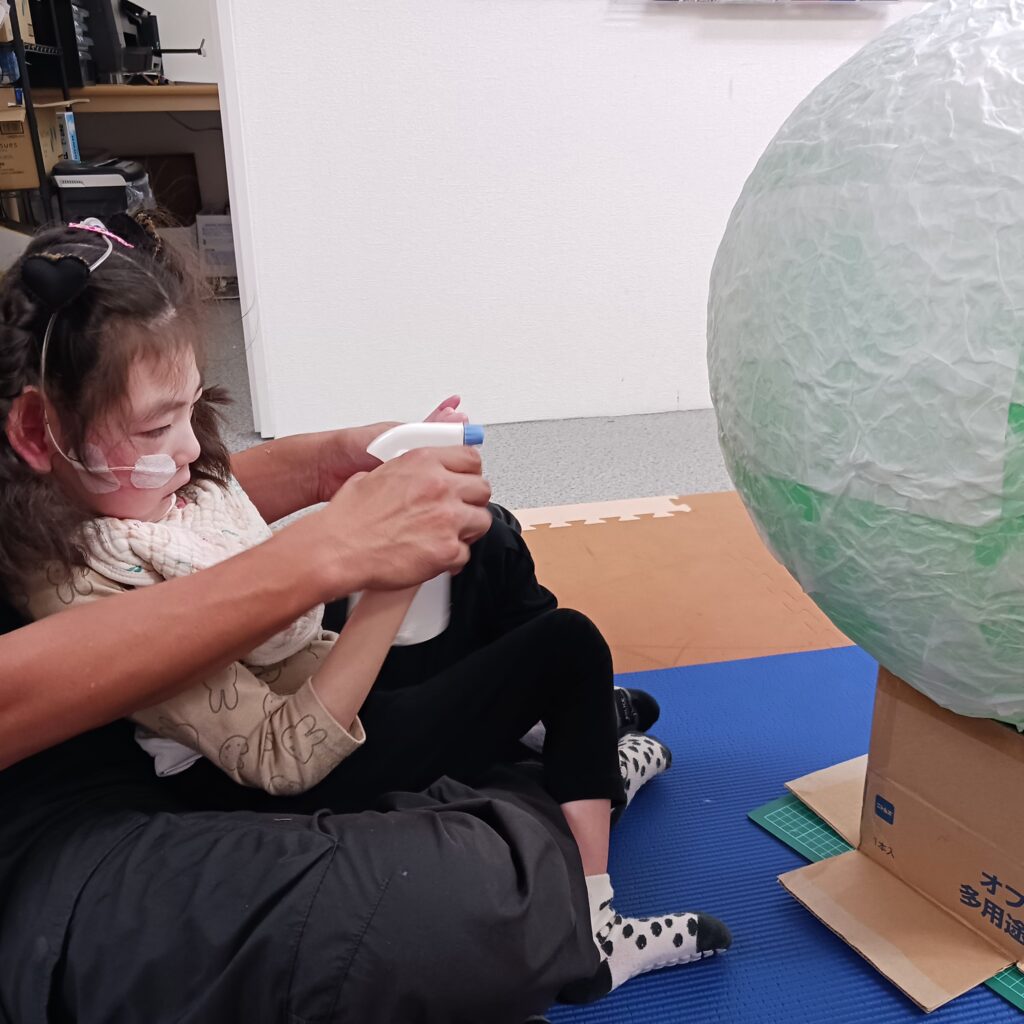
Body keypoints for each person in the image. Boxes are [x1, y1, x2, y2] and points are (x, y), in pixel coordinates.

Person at [0, 216, 730, 1019]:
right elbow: (281, 753)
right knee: (556, 667)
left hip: (300, 684)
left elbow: (195, 500)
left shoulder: (124, 493)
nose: (189, 451)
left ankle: (564, 748)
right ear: (36, 432)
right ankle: (583, 865)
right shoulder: (88, 579)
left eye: (193, 414)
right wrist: (367, 574)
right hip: (261, 761)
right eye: (155, 428)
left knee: (484, 541)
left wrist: (335, 468)